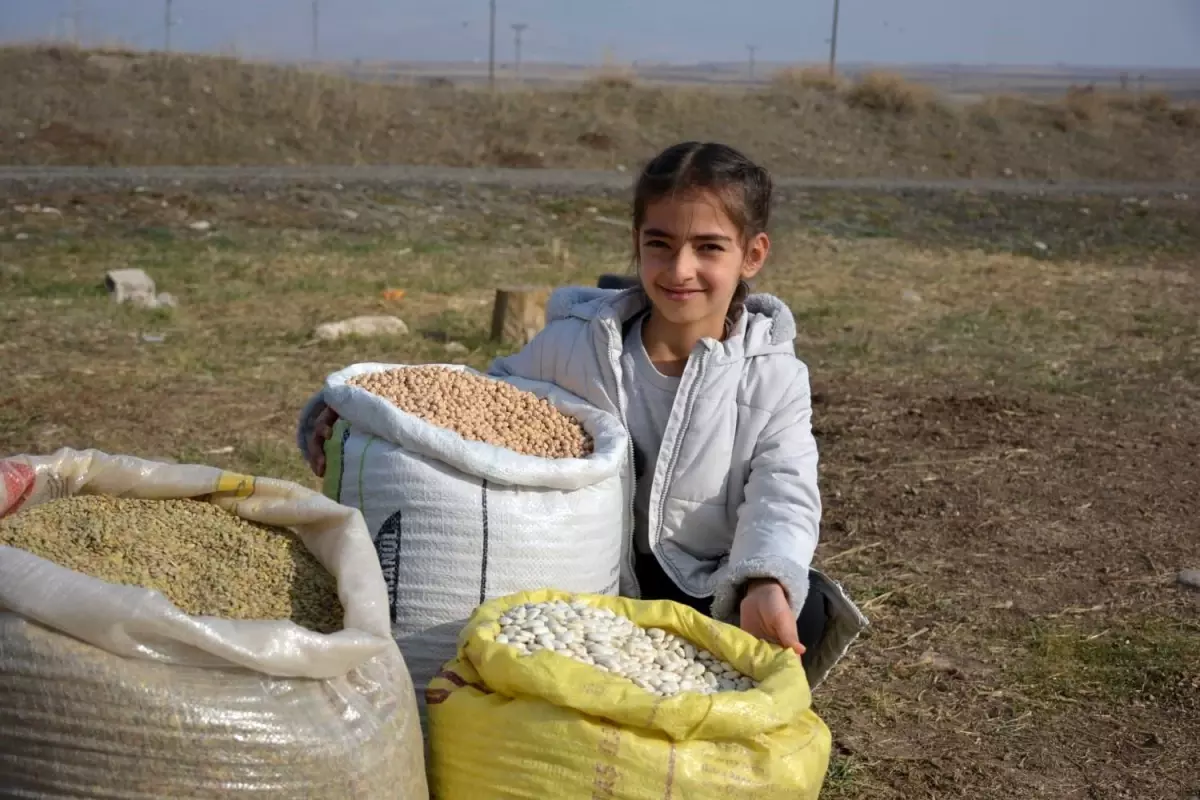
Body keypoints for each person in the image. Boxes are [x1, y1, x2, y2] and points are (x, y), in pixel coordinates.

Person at [302, 141, 856, 669]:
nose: (679, 268)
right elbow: (479, 404)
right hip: (584, 578)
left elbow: (784, 492)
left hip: (704, 585)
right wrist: (354, 410)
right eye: (659, 243)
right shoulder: (579, 345)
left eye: (708, 247)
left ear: (752, 254)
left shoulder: (774, 376)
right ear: (637, 242)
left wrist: (765, 580)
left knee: (798, 609)